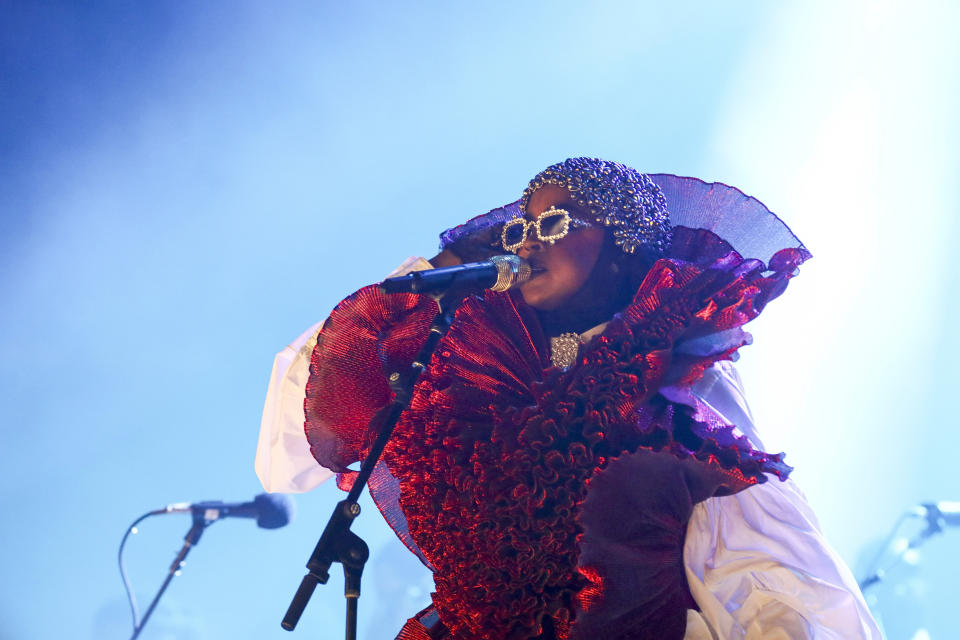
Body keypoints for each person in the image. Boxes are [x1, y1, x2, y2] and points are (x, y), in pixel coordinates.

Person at [257, 158, 880, 639]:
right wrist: (426, 282)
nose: (527, 242)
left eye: (554, 224)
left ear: (622, 244)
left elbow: (762, 569)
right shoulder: (471, 378)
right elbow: (289, 449)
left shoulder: (675, 372)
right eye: (519, 228)